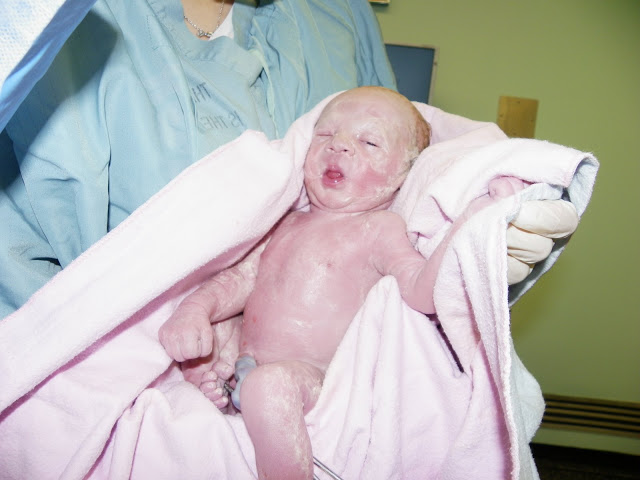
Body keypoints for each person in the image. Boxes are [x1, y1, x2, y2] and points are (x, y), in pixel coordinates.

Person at [1, 0, 575, 389]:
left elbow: (409, 159)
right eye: (325, 135)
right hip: (100, 369)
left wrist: (469, 234)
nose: (339, 147)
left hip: (326, 386)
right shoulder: (49, 20)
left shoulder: (334, 15)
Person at [158, 86, 525, 480]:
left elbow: (422, 290)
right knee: (205, 352)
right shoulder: (284, 222)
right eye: (326, 134)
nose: (340, 145)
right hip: (245, 368)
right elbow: (239, 279)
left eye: (369, 142)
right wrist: (195, 310)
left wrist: (471, 222)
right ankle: (221, 388)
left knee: (269, 388)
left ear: (403, 174)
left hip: (312, 378)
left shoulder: (378, 229)